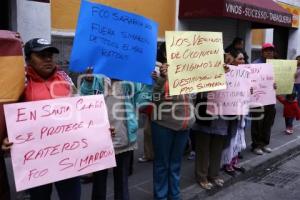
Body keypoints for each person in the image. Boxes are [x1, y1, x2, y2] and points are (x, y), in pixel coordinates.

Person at [1, 38, 81, 200]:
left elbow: (82, 109)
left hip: (68, 155)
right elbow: (7, 113)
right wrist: (5, 137)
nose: (48, 59)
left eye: (50, 55)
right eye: (41, 55)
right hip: (36, 161)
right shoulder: (19, 82)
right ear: (28, 59)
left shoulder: (65, 79)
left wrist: (99, 130)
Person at [80, 68, 152, 200]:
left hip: (124, 139)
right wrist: (88, 82)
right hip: (100, 139)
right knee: (99, 184)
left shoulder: (132, 79)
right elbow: (83, 102)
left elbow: (142, 99)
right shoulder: (96, 77)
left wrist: (149, 84)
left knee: (122, 183)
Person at [151, 42, 195, 200]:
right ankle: (161, 196)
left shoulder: (188, 69)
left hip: (184, 125)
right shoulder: (155, 69)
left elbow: (195, 96)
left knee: (176, 163)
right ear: (164, 52)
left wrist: (216, 74)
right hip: (163, 124)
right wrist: (162, 80)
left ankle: (174, 194)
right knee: (163, 164)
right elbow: (153, 98)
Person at [221, 49, 247, 176]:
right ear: (233, 60)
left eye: (243, 59)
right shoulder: (226, 72)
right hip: (229, 111)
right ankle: (226, 163)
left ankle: (233, 161)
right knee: (230, 137)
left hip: (241, 112)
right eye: (240, 59)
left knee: (237, 136)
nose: (242, 61)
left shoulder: (246, 74)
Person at [251, 43, 277, 155]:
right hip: (258, 99)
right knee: (257, 123)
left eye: (271, 50)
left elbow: (281, 80)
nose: (269, 52)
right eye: (266, 50)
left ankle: (264, 144)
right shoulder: (255, 64)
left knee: (268, 123)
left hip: (271, 99)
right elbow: (250, 82)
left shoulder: (276, 65)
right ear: (262, 52)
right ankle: (256, 145)